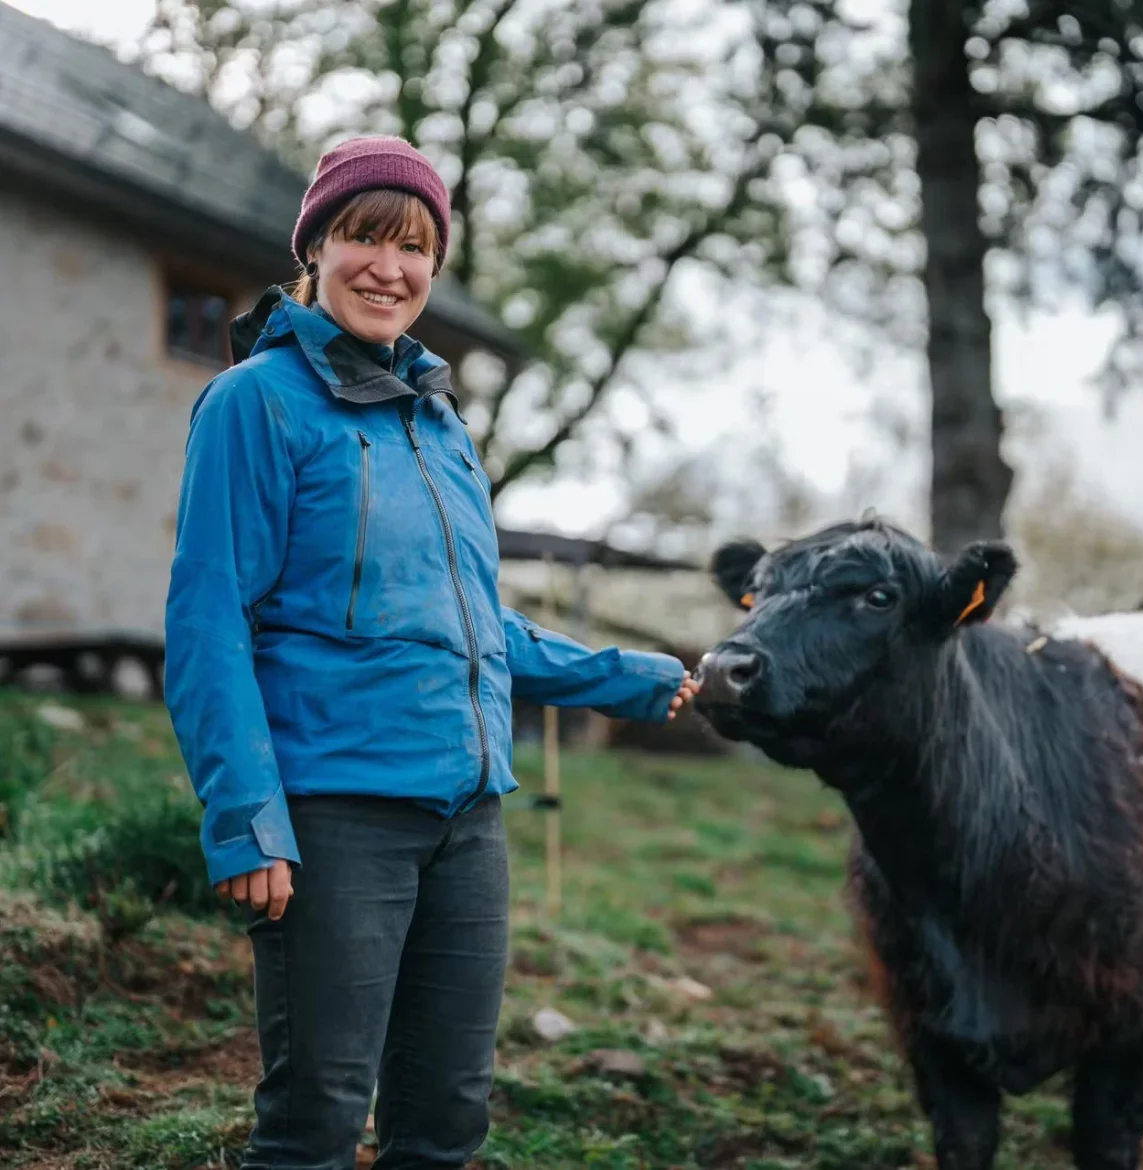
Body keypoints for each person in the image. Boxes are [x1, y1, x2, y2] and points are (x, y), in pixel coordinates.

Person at [163, 135, 700, 1170]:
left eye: (414, 248)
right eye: (363, 235)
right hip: (335, 819)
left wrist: (630, 679)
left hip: (470, 817)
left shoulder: (443, 426)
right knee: (317, 1117)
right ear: (314, 247)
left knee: (449, 1113)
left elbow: (473, 629)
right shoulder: (255, 404)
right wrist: (246, 820)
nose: (388, 268)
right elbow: (208, 620)